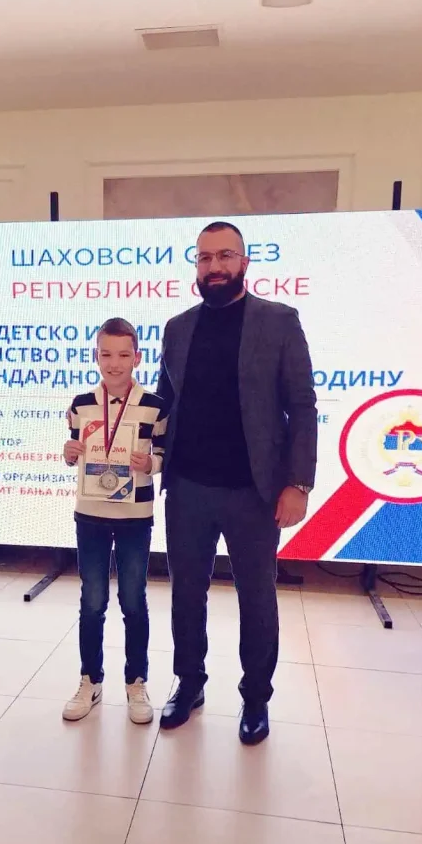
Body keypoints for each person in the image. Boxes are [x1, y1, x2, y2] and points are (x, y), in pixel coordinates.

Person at [156, 221, 317, 745]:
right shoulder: (177, 328)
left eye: (225, 256)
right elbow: (164, 404)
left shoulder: (279, 321)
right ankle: (189, 683)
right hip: (187, 488)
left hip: (254, 492)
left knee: (257, 597)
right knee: (186, 594)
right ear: (196, 266)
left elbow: (302, 406)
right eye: (205, 258)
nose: (215, 267)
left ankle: (255, 698)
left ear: (245, 263)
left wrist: (298, 483)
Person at [63, 317, 169, 724]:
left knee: (133, 600)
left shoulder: (155, 405)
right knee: (92, 601)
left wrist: (151, 464)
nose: (115, 363)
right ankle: (90, 680)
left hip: (135, 516)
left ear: (137, 358)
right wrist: (69, 453)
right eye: (106, 354)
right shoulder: (80, 404)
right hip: (90, 513)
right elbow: (75, 452)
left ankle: (136, 682)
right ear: (96, 356)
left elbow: (164, 455)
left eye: (124, 355)